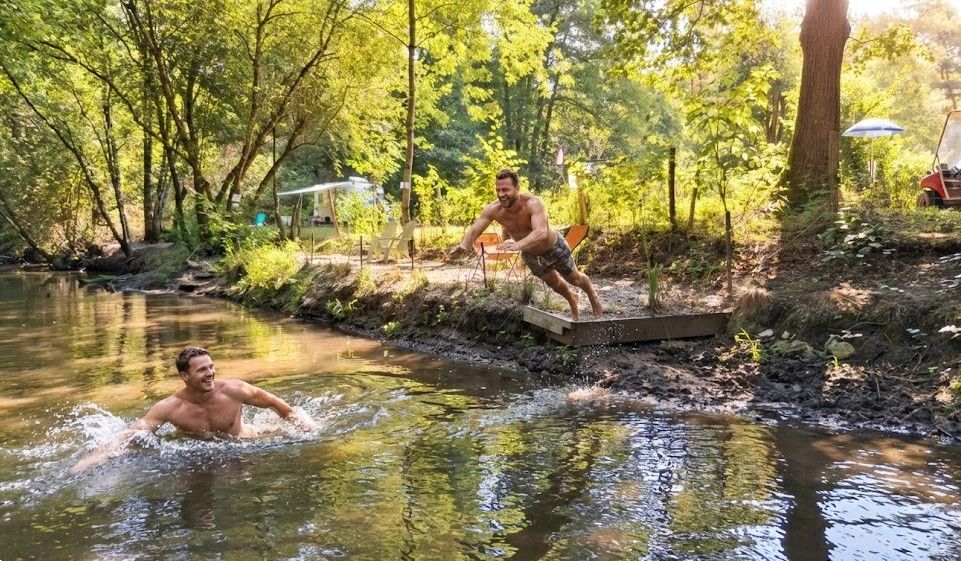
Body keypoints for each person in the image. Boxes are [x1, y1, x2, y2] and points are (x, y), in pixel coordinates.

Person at [69, 346, 315, 474]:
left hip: (243, 445)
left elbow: (273, 402)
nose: (210, 374)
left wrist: (305, 426)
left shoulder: (234, 389)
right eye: (202, 370)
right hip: (197, 456)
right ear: (184, 376)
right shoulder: (170, 407)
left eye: (211, 367)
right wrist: (100, 455)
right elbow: (137, 430)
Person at [450, 168, 602, 321]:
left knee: (574, 279)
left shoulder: (532, 203)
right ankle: (572, 299)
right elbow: (475, 229)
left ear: (517, 188)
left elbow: (541, 232)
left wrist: (517, 245)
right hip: (530, 253)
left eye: (505, 190)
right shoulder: (493, 209)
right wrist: (464, 245)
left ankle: (591, 294)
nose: (501, 194)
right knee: (554, 284)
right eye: (498, 190)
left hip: (553, 247)